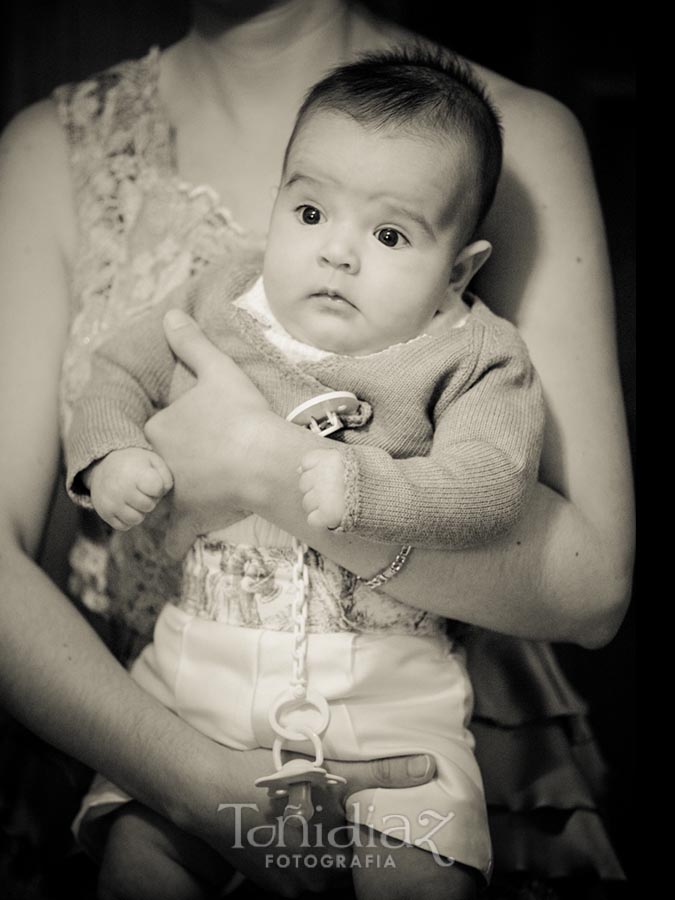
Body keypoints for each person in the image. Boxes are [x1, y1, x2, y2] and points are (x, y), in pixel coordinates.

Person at [0, 1, 633, 897]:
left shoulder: (505, 155)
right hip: (165, 708)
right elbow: (117, 377)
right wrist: (186, 782)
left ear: (458, 270)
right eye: (306, 211)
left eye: (386, 236)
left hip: (408, 711)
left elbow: (588, 578)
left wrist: (264, 462)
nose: (336, 253)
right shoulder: (59, 158)